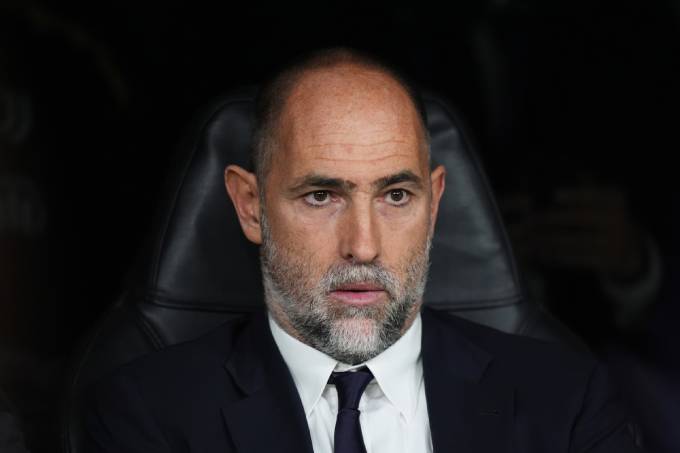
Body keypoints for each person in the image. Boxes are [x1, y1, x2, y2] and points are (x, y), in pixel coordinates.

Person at [84, 48, 640, 453]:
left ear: (434, 205)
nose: (364, 246)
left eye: (396, 196)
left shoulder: (567, 401)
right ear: (251, 206)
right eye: (321, 196)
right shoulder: (149, 414)